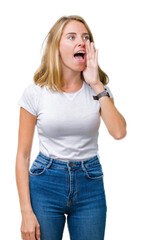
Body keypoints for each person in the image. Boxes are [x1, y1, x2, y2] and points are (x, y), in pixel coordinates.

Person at [15, 15, 127, 240]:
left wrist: (96, 83)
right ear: (57, 46)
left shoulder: (99, 91)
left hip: (90, 184)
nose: (81, 42)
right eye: (72, 37)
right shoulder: (36, 93)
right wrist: (26, 212)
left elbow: (119, 132)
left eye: (86, 37)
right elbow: (23, 155)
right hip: (45, 182)